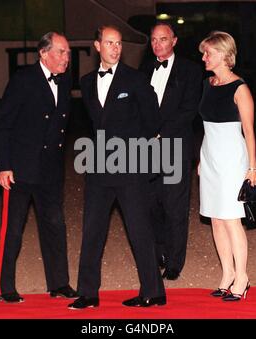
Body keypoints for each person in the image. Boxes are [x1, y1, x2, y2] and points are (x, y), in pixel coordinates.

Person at [68, 25, 166, 309]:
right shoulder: (86, 82)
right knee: (92, 230)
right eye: (109, 43)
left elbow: (152, 121)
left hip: (130, 166)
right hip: (98, 167)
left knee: (139, 230)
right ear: (97, 45)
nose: (115, 48)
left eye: (119, 44)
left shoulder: (135, 80)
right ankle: (88, 293)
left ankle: (154, 292)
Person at [0, 32, 77, 303]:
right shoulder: (23, 79)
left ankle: (59, 283)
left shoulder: (64, 81)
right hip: (20, 169)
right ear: (44, 53)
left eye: (67, 52)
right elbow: (4, 123)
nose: (67, 57)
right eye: (62, 52)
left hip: (51, 169)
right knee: (13, 229)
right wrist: (3, 165)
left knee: (55, 225)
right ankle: (6, 287)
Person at [198, 31, 256, 301]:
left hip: (232, 160)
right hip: (210, 156)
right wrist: (202, 158)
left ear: (223, 55)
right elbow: (206, 126)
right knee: (215, 218)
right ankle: (227, 274)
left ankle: (242, 277)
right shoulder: (208, 84)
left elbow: (249, 130)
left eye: (207, 53)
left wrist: (253, 167)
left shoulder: (240, 89)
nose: (203, 57)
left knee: (232, 219)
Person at [140, 23, 202, 280]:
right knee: (151, 204)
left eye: (163, 39)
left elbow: (188, 111)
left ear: (174, 41)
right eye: (153, 40)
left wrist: (159, 133)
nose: (157, 44)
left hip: (175, 146)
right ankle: (159, 254)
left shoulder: (191, 71)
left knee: (175, 207)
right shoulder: (142, 70)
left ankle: (175, 262)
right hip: (146, 149)